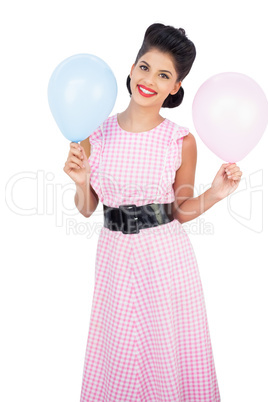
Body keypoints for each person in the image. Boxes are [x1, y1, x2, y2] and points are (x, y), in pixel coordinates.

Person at [64, 23, 242, 402]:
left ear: (174, 87)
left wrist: (215, 193)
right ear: (131, 68)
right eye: (144, 67)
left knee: (165, 350)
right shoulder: (95, 133)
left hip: (166, 259)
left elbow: (180, 209)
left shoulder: (180, 139)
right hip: (113, 256)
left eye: (164, 75)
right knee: (119, 350)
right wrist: (80, 181)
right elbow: (87, 209)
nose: (149, 80)